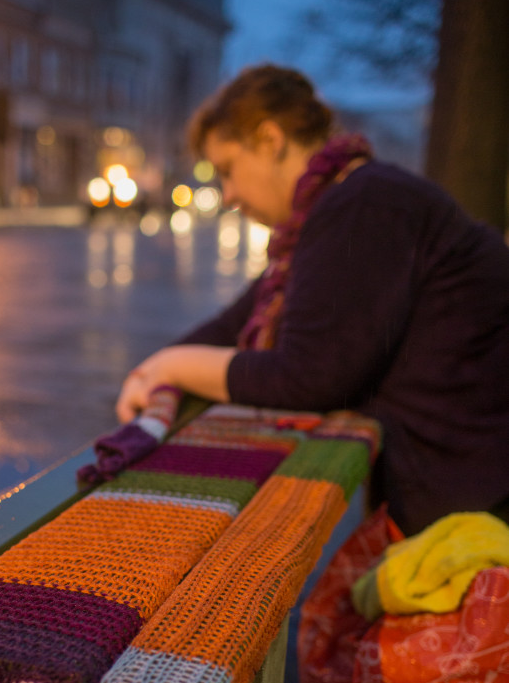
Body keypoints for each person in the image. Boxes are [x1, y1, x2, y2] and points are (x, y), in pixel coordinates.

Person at [115, 65, 509, 537]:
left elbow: (310, 376)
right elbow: (235, 321)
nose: (229, 195)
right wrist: (150, 370)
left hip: (478, 495)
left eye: (227, 170)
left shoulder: (364, 204)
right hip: (467, 480)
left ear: (269, 139)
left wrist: (175, 367)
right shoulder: (339, 208)